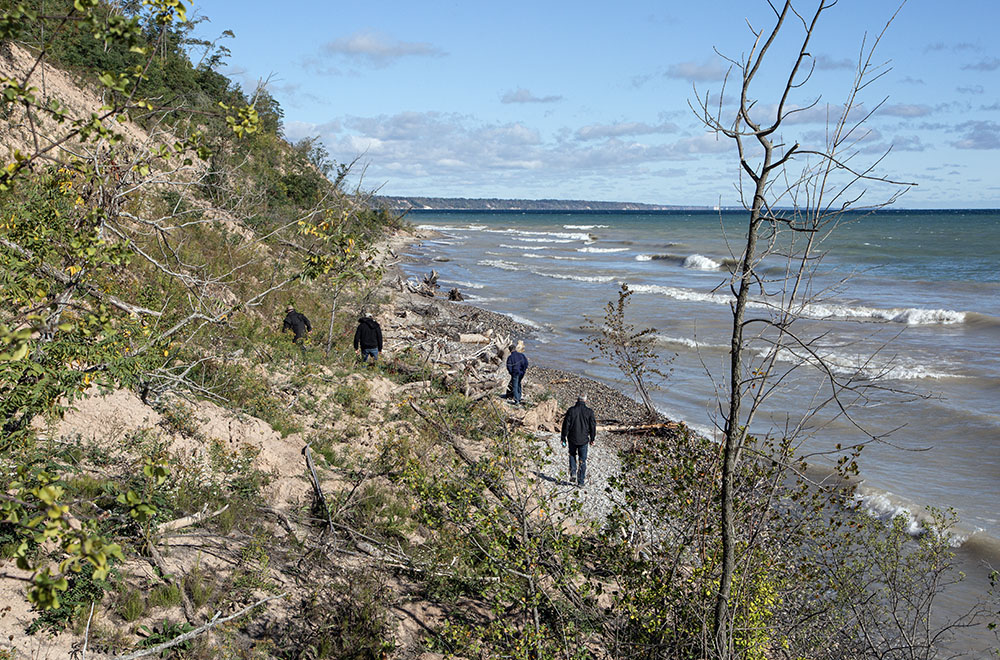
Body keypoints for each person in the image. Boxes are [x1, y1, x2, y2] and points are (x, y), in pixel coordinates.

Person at [561, 394, 596, 487]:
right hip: (583, 439)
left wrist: (563, 437)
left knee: (572, 455)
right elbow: (593, 426)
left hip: (572, 437)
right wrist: (592, 438)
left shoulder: (571, 410)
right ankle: (581, 482)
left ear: (577, 399)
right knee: (582, 460)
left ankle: (573, 471)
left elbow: (566, 425)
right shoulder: (589, 412)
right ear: (585, 401)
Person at [505, 340, 528, 404]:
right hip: (521, 372)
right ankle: (519, 397)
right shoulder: (521, 355)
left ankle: (517, 400)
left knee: (515, 386)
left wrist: (511, 373)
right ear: (515, 349)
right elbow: (526, 363)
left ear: (510, 350)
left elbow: (509, 366)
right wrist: (524, 370)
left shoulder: (510, 357)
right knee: (519, 384)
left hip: (515, 373)